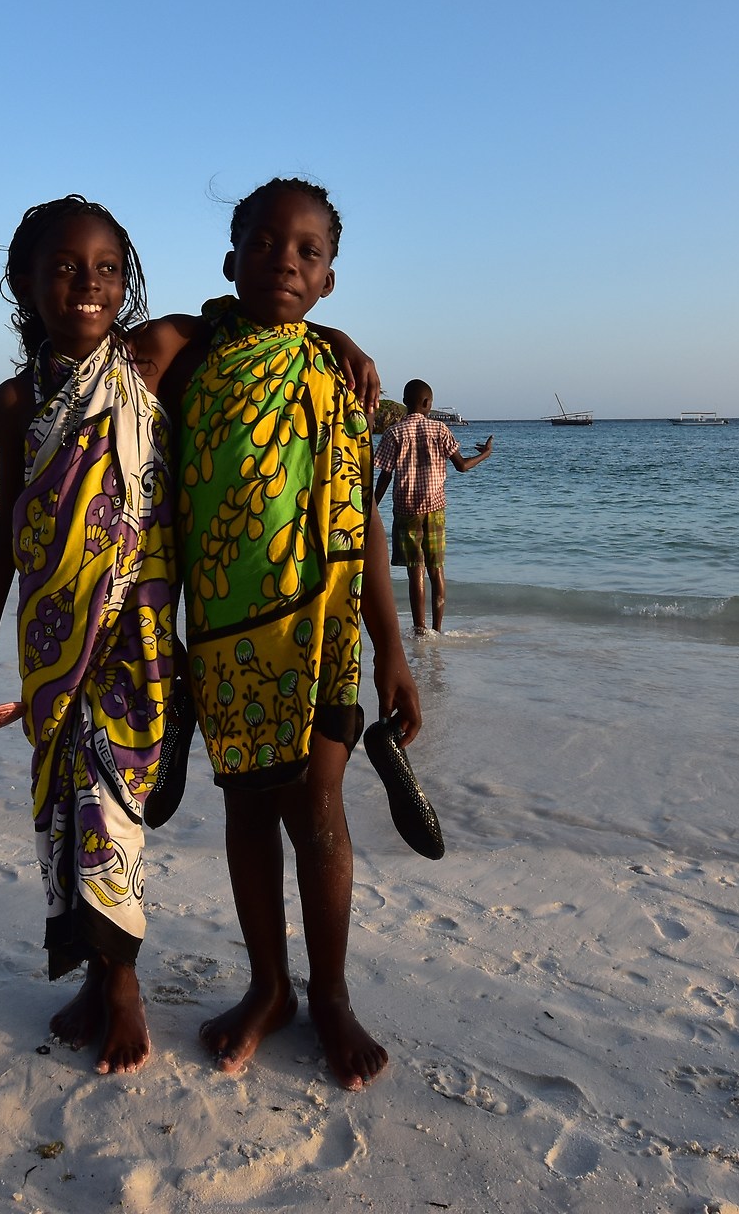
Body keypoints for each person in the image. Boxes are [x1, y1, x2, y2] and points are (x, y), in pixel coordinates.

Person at [159, 177, 418, 1091]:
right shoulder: (189, 354)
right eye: (266, 245)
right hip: (228, 634)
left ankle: (333, 995)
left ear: (331, 278)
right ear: (231, 263)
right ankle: (269, 987)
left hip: (328, 628)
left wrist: (395, 649)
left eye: (308, 252)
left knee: (319, 809)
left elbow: (365, 517)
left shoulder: (341, 376)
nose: (286, 262)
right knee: (244, 811)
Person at [0, 196, 182, 1076]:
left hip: (133, 631)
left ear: (127, 282)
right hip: (48, 636)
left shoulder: (151, 362)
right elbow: (7, 526)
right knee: (60, 805)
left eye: (108, 268)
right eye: (66, 268)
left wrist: (342, 346)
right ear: (24, 283)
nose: (89, 284)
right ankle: (92, 976)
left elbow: (250, 317)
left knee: (109, 800)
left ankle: (122, 990)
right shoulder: (15, 400)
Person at [372, 379, 493, 636]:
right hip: (435, 509)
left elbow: (384, 476)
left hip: (406, 511)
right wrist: (486, 454)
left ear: (405, 402)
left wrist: (370, 509)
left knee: (415, 571)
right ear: (428, 404)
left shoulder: (394, 433)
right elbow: (461, 466)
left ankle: (420, 631)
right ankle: (438, 630)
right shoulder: (440, 430)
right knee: (436, 569)